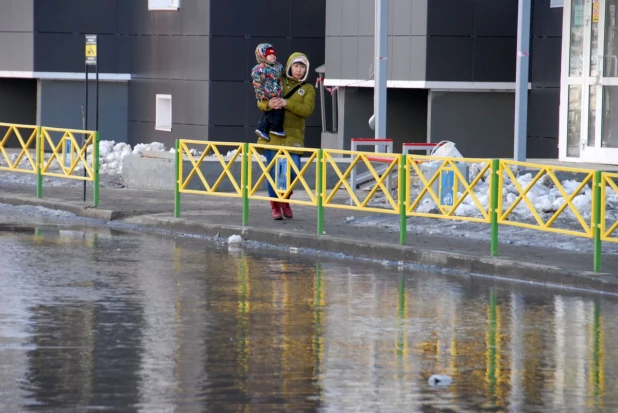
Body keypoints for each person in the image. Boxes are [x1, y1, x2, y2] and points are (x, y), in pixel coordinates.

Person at [256, 52, 315, 220]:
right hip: (272, 135)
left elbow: (307, 110)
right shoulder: (277, 80)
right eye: (296, 66)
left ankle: (285, 200)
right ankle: (275, 205)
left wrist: (286, 103)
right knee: (273, 172)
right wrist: (269, 104)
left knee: (293, 171)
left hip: (294, 137)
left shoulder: (308, 88)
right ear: (290, 66)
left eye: (302, 67)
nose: (299, 70)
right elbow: (260, 100)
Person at [251, 43, 286, 140]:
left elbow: (282, 77)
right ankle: (269, 128)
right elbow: (257, 83)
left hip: (277, 92)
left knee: (277, 110)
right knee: (271, 112)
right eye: (270, 55)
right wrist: (260, 94)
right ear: (263, 55)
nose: (273, 56)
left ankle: (268, 128)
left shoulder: (278, 66)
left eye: (274, 54)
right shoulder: (260, 69)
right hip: (267, 93)